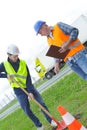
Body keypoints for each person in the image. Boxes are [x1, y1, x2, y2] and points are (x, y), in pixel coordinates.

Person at [0, 44, 57, 130]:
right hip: (18, 90)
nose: (16, 58)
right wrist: (6, 75)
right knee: (26, 109)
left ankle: (51, 121)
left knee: (41, 103)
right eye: (14, 56)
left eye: (17, 56)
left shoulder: (22, 63)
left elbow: (28, 78)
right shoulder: (4, 65)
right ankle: (39, 125)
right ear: (9, 55)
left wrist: (30, 91)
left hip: (28, 86)